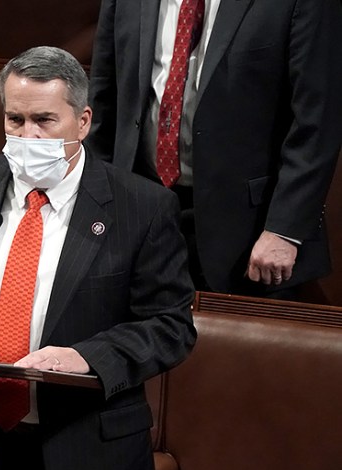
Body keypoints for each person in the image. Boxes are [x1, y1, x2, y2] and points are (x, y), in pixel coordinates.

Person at [0, 47, 196, 470]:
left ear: (83, 121)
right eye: (15, 120)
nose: (28, 135)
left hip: (90, 448)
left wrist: (88, 357)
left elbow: (171, 326)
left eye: (44, 120)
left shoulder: (143, 208)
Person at [87, 0, 342, 297]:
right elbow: (103, 101)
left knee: (236, 343)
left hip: (249, 233)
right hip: (138, 215)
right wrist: (94, 204)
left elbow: (318, 122)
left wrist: (285, 229)